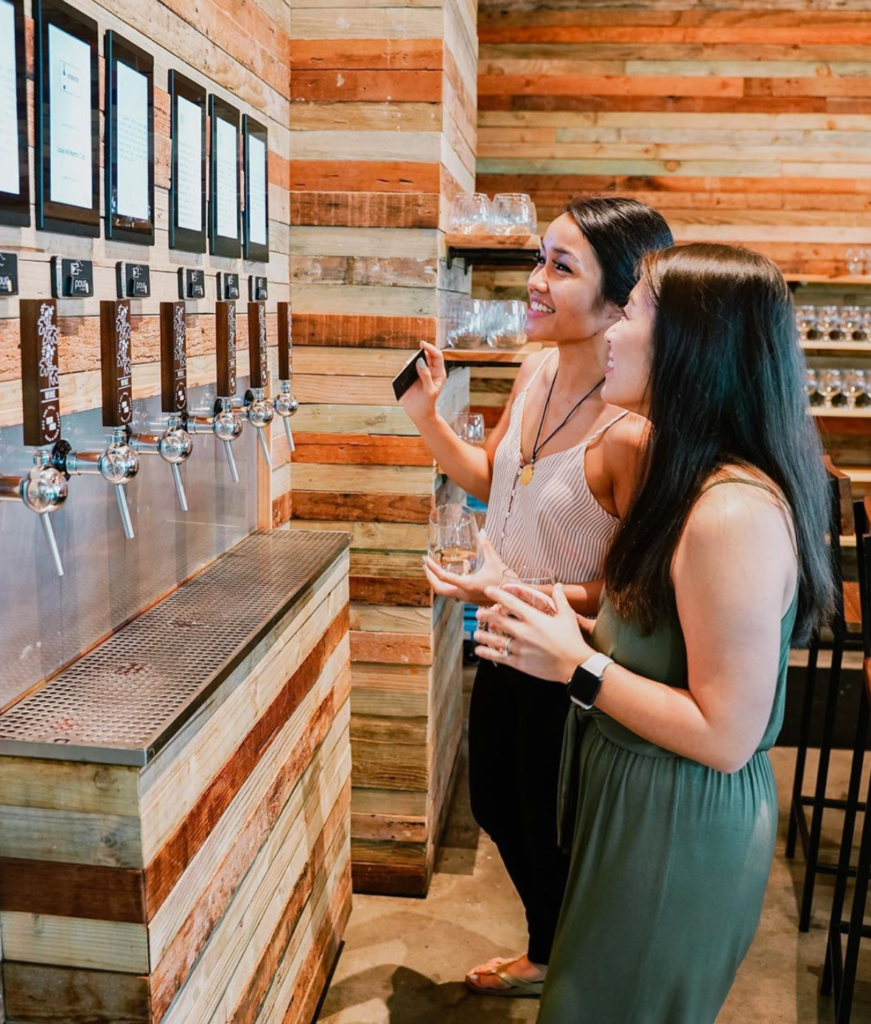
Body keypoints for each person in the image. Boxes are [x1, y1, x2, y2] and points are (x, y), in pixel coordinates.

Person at [474, 243, 834, 1023]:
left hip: (676, 829)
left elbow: (726, 734)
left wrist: (577, 667)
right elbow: (644, 630)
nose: (608, 329)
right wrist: (544, 612)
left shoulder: (730, 513)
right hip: (628, 805)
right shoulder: (681, 475)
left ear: (691, 345)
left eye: (630, 310)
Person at [399, 196, 673, 996]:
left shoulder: (630, 432)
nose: (535, 282)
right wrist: (424, 416)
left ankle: (565, 968)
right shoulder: (536, 368)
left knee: (554, 832)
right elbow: (493, 478)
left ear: (622, 300)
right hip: (501, 637)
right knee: (494, 806)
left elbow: (629, 594)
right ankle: (551, 951)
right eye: (538, 260)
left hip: (569, 666)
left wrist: (513, 585)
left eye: (561, 267)